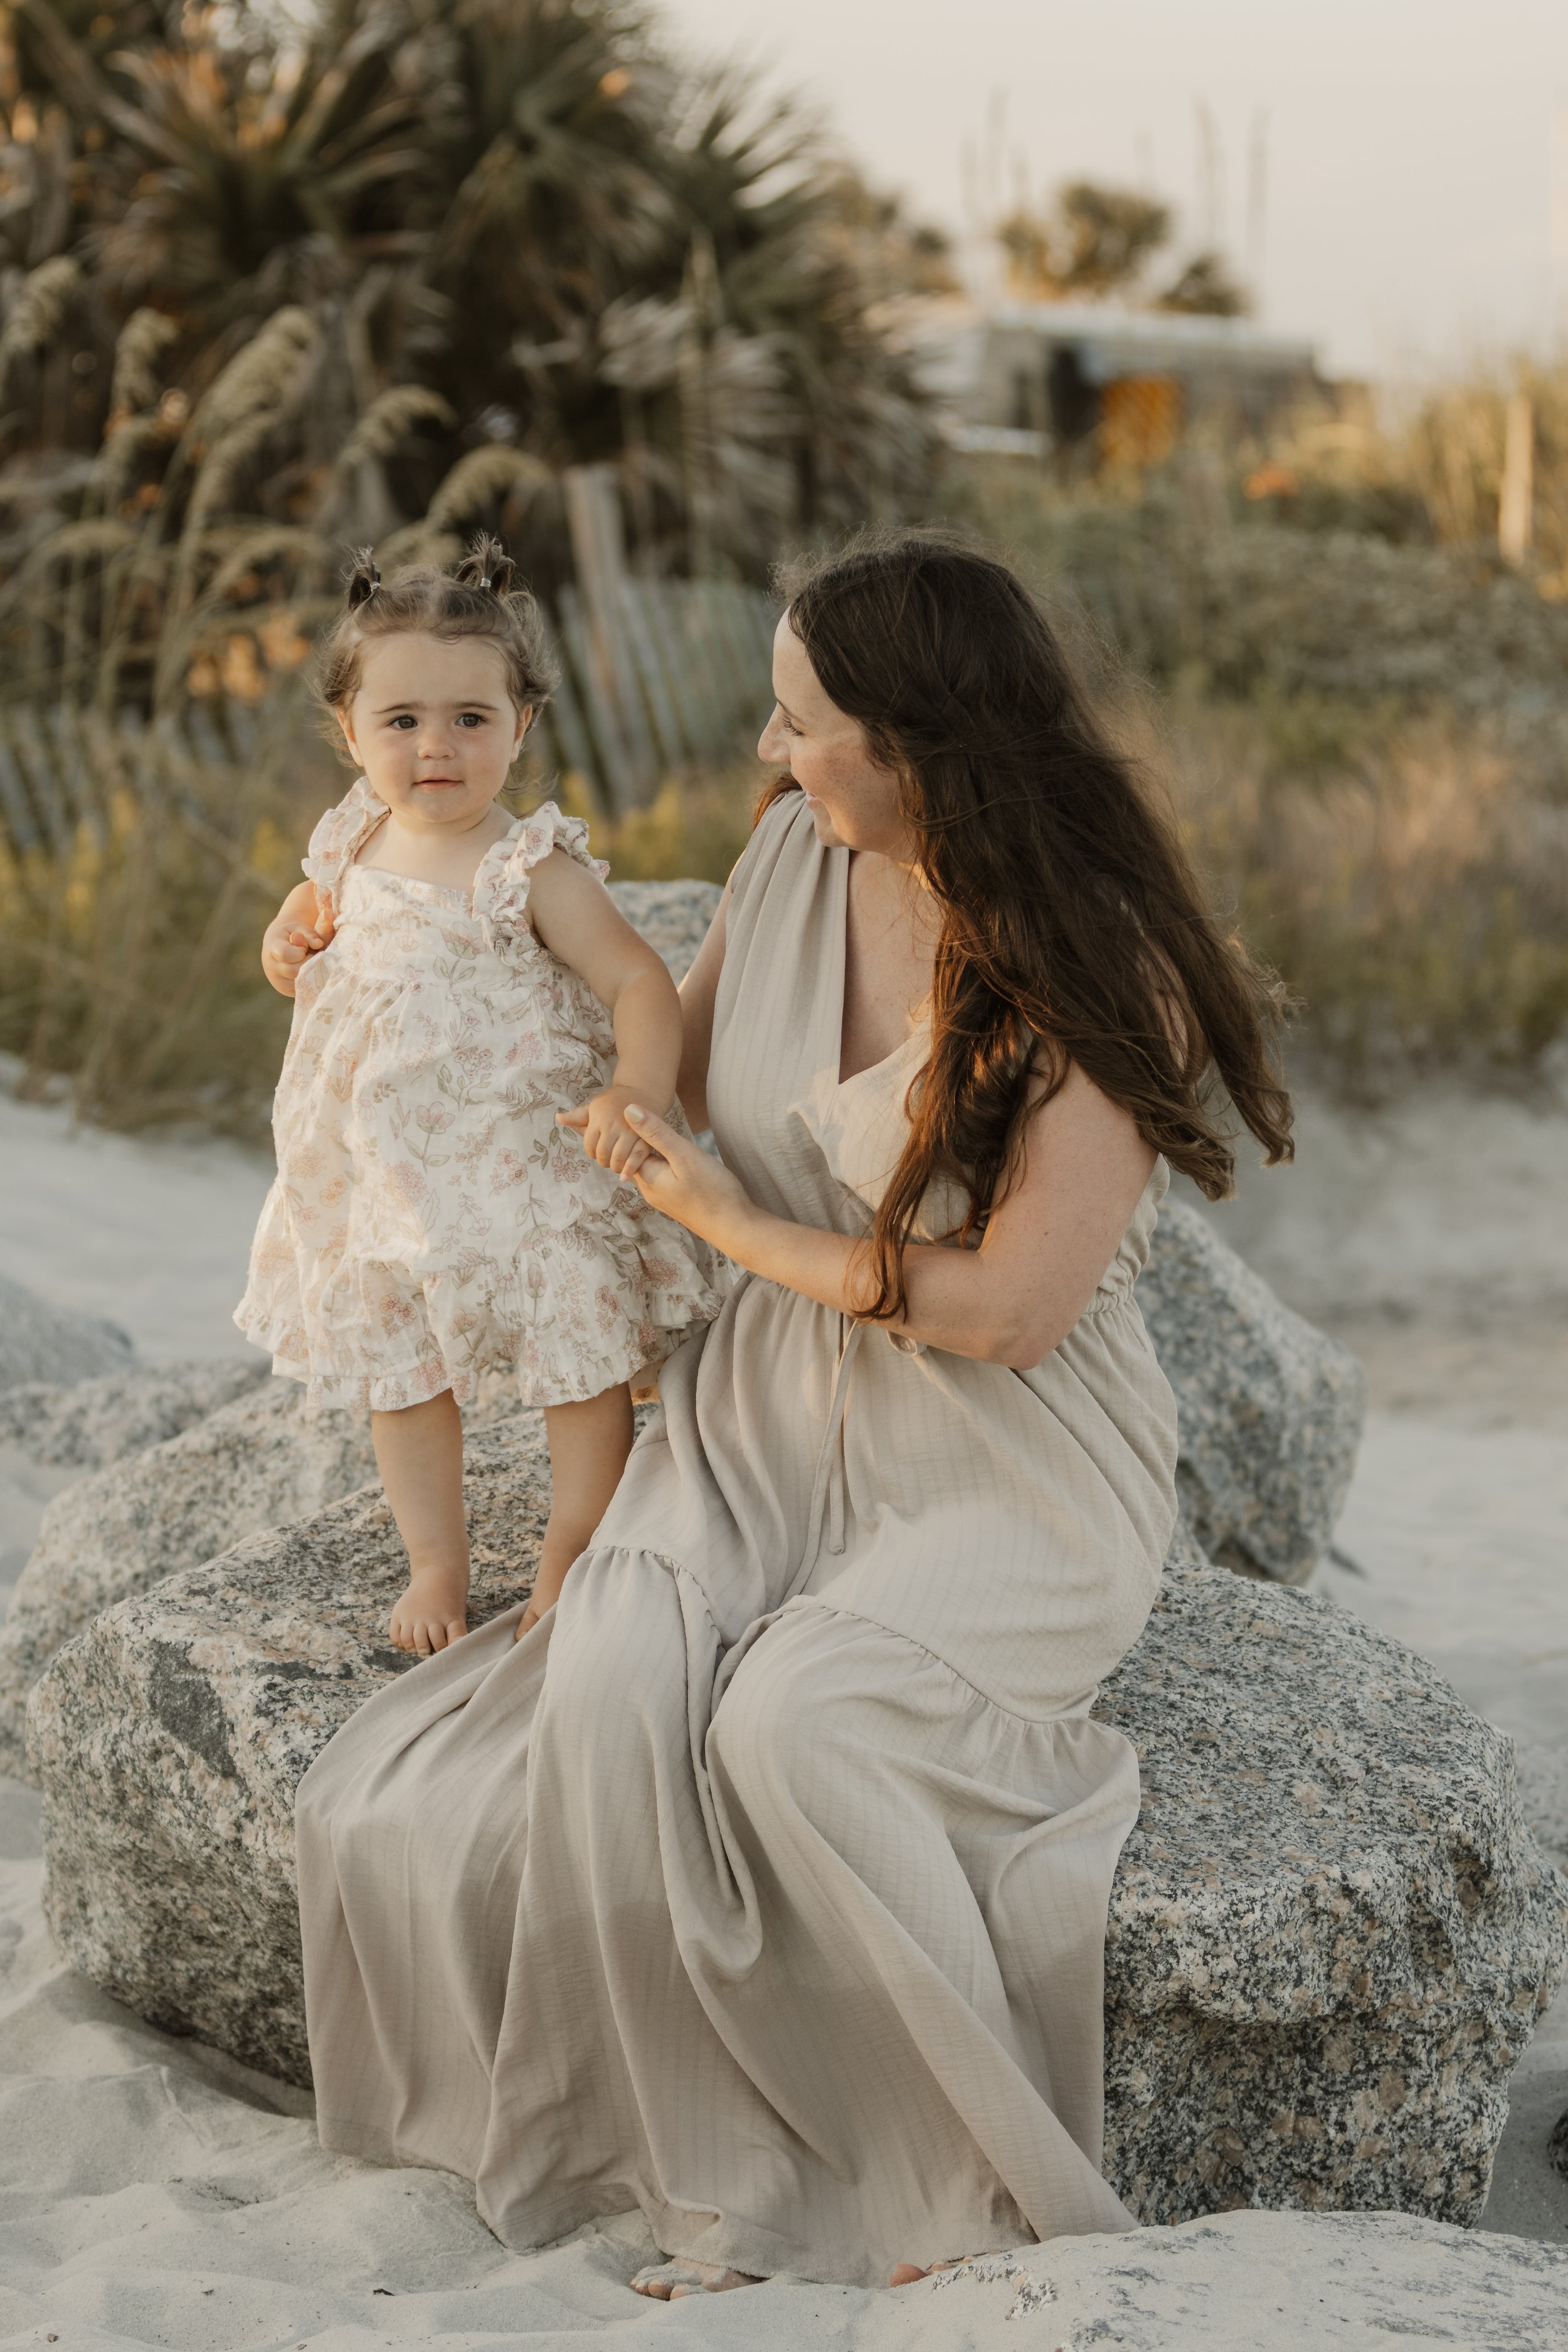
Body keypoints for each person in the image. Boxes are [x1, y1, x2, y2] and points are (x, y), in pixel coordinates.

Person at [295, 533, 1293, 2294]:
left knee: (798, 1726)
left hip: (1004, 1454)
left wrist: (720, 1218)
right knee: (606, 1678)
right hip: (759, 1400)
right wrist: (365, 944)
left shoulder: (1091, 956)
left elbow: (1002, 1307)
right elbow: (631, 1026)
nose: (768, 754)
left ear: (916, 744)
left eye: (798, 723)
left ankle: (938, 2200)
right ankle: (696, 2168)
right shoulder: (784, 856)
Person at [236, 534, 728, 1656]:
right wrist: (285, 941)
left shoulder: (527, 865)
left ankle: (572, 1540)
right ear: (350, 732)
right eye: (401, 721)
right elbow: (308, 935)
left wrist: (637, 1086)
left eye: (470, 717)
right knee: (402, 1373)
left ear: (523, 726)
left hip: (527, 1170)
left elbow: (637, 978)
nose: (436, 747)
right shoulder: (351, 839)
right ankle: (436, 1559)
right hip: (390, 1177)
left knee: (578, 1353)